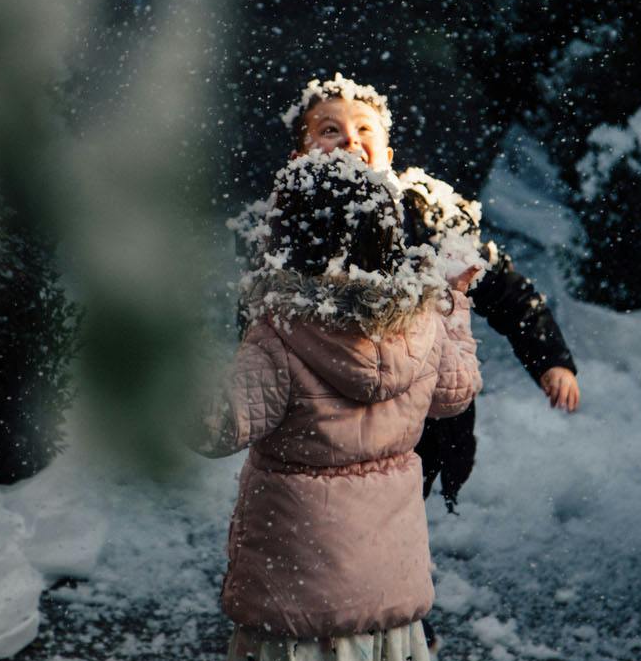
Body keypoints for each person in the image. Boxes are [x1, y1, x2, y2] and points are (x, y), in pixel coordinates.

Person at [196, 151, 482, 661]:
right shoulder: (422, 321)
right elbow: (457, 393)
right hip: (381, 582)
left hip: (295, 580)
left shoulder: (282, 334)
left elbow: (217, 427)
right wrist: (452, 311)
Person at [236, 72, 580, 512]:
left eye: (364, 128)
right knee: (323, 529)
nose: (348, 139)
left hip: (420, 428)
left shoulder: (429, 218)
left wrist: (550, 359)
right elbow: (256, 320)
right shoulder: (283, 231)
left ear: (388, 154)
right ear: (299, 157)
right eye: (328, 130)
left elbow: (506, 290)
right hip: (317, 430)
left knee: (399, 521)